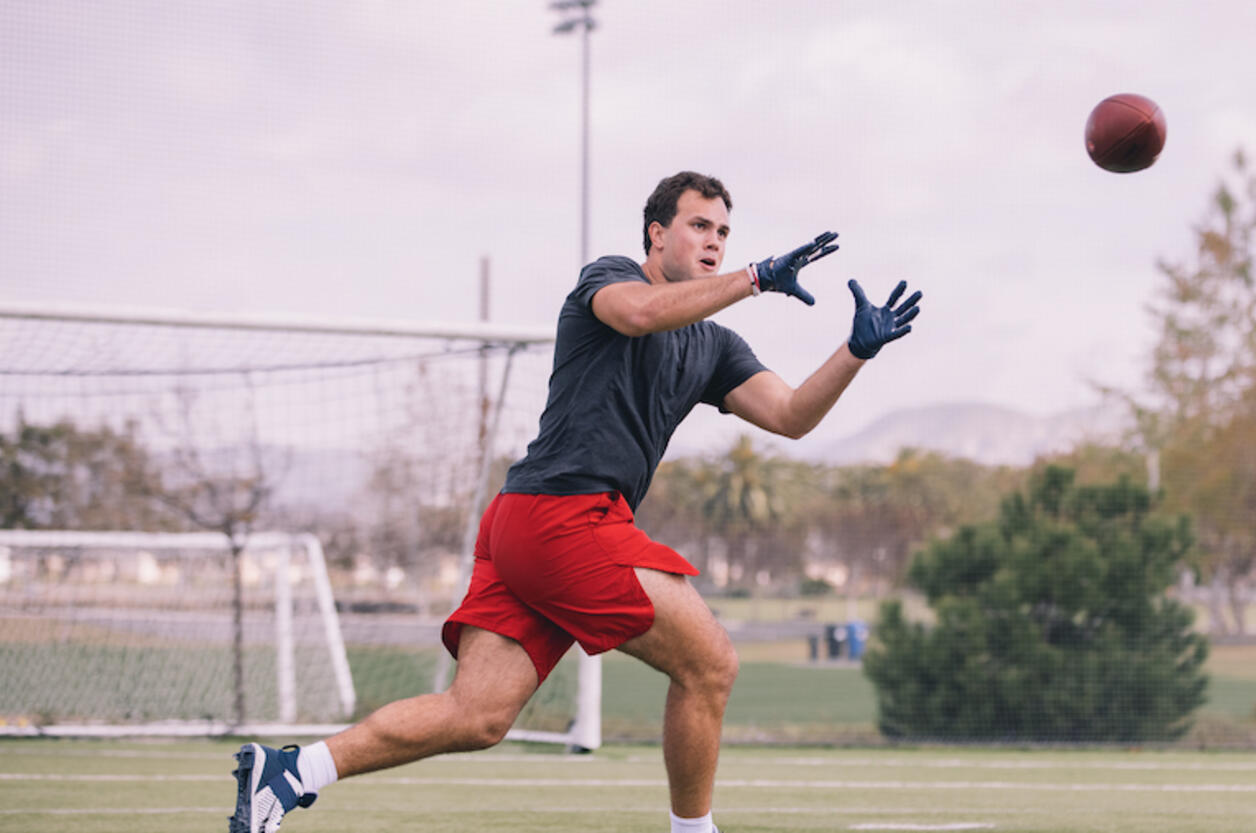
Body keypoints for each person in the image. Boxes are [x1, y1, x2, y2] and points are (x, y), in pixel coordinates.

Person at [229, 170, 923, 833]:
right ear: (656, 235)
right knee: (710, 664)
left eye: (725, 232)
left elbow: (793, 415)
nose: (715, 241)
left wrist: (854, 352)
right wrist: (756, 278)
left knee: (477, 714)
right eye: (699, 225)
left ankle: (291, 774)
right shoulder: (610, 278)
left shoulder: (713, 344)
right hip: (561, 517)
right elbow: (643, 313)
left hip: (528, 524)